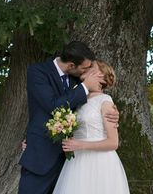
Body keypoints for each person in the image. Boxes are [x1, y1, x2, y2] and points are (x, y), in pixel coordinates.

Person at [18, 41, 118, 194]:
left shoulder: (78, 77)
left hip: (70, 162)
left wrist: (113, 114)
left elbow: (94, 105)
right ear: (72, 65)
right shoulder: (38, 72)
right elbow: (52, 106)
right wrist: (85, 87)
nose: (89, 71)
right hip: (40, 156)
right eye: (86, 68)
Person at [52, 60, 130, 194]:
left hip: (100, 162)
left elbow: (113, 142)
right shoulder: (78, 99)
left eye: (91, 67)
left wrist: (80, 145)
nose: (85, 68)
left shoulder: (105, 101)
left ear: (101, 75)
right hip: (76, 162)